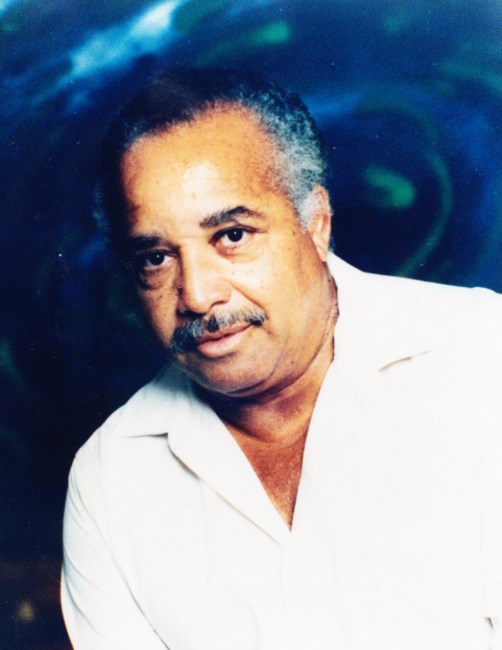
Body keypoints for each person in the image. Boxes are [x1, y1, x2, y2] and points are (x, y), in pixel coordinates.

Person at [61, 69, 502, 650]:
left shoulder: (481, 357)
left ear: (316, 223)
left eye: (232, 236)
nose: (197, 294)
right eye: (156, 258)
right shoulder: (110, 479)